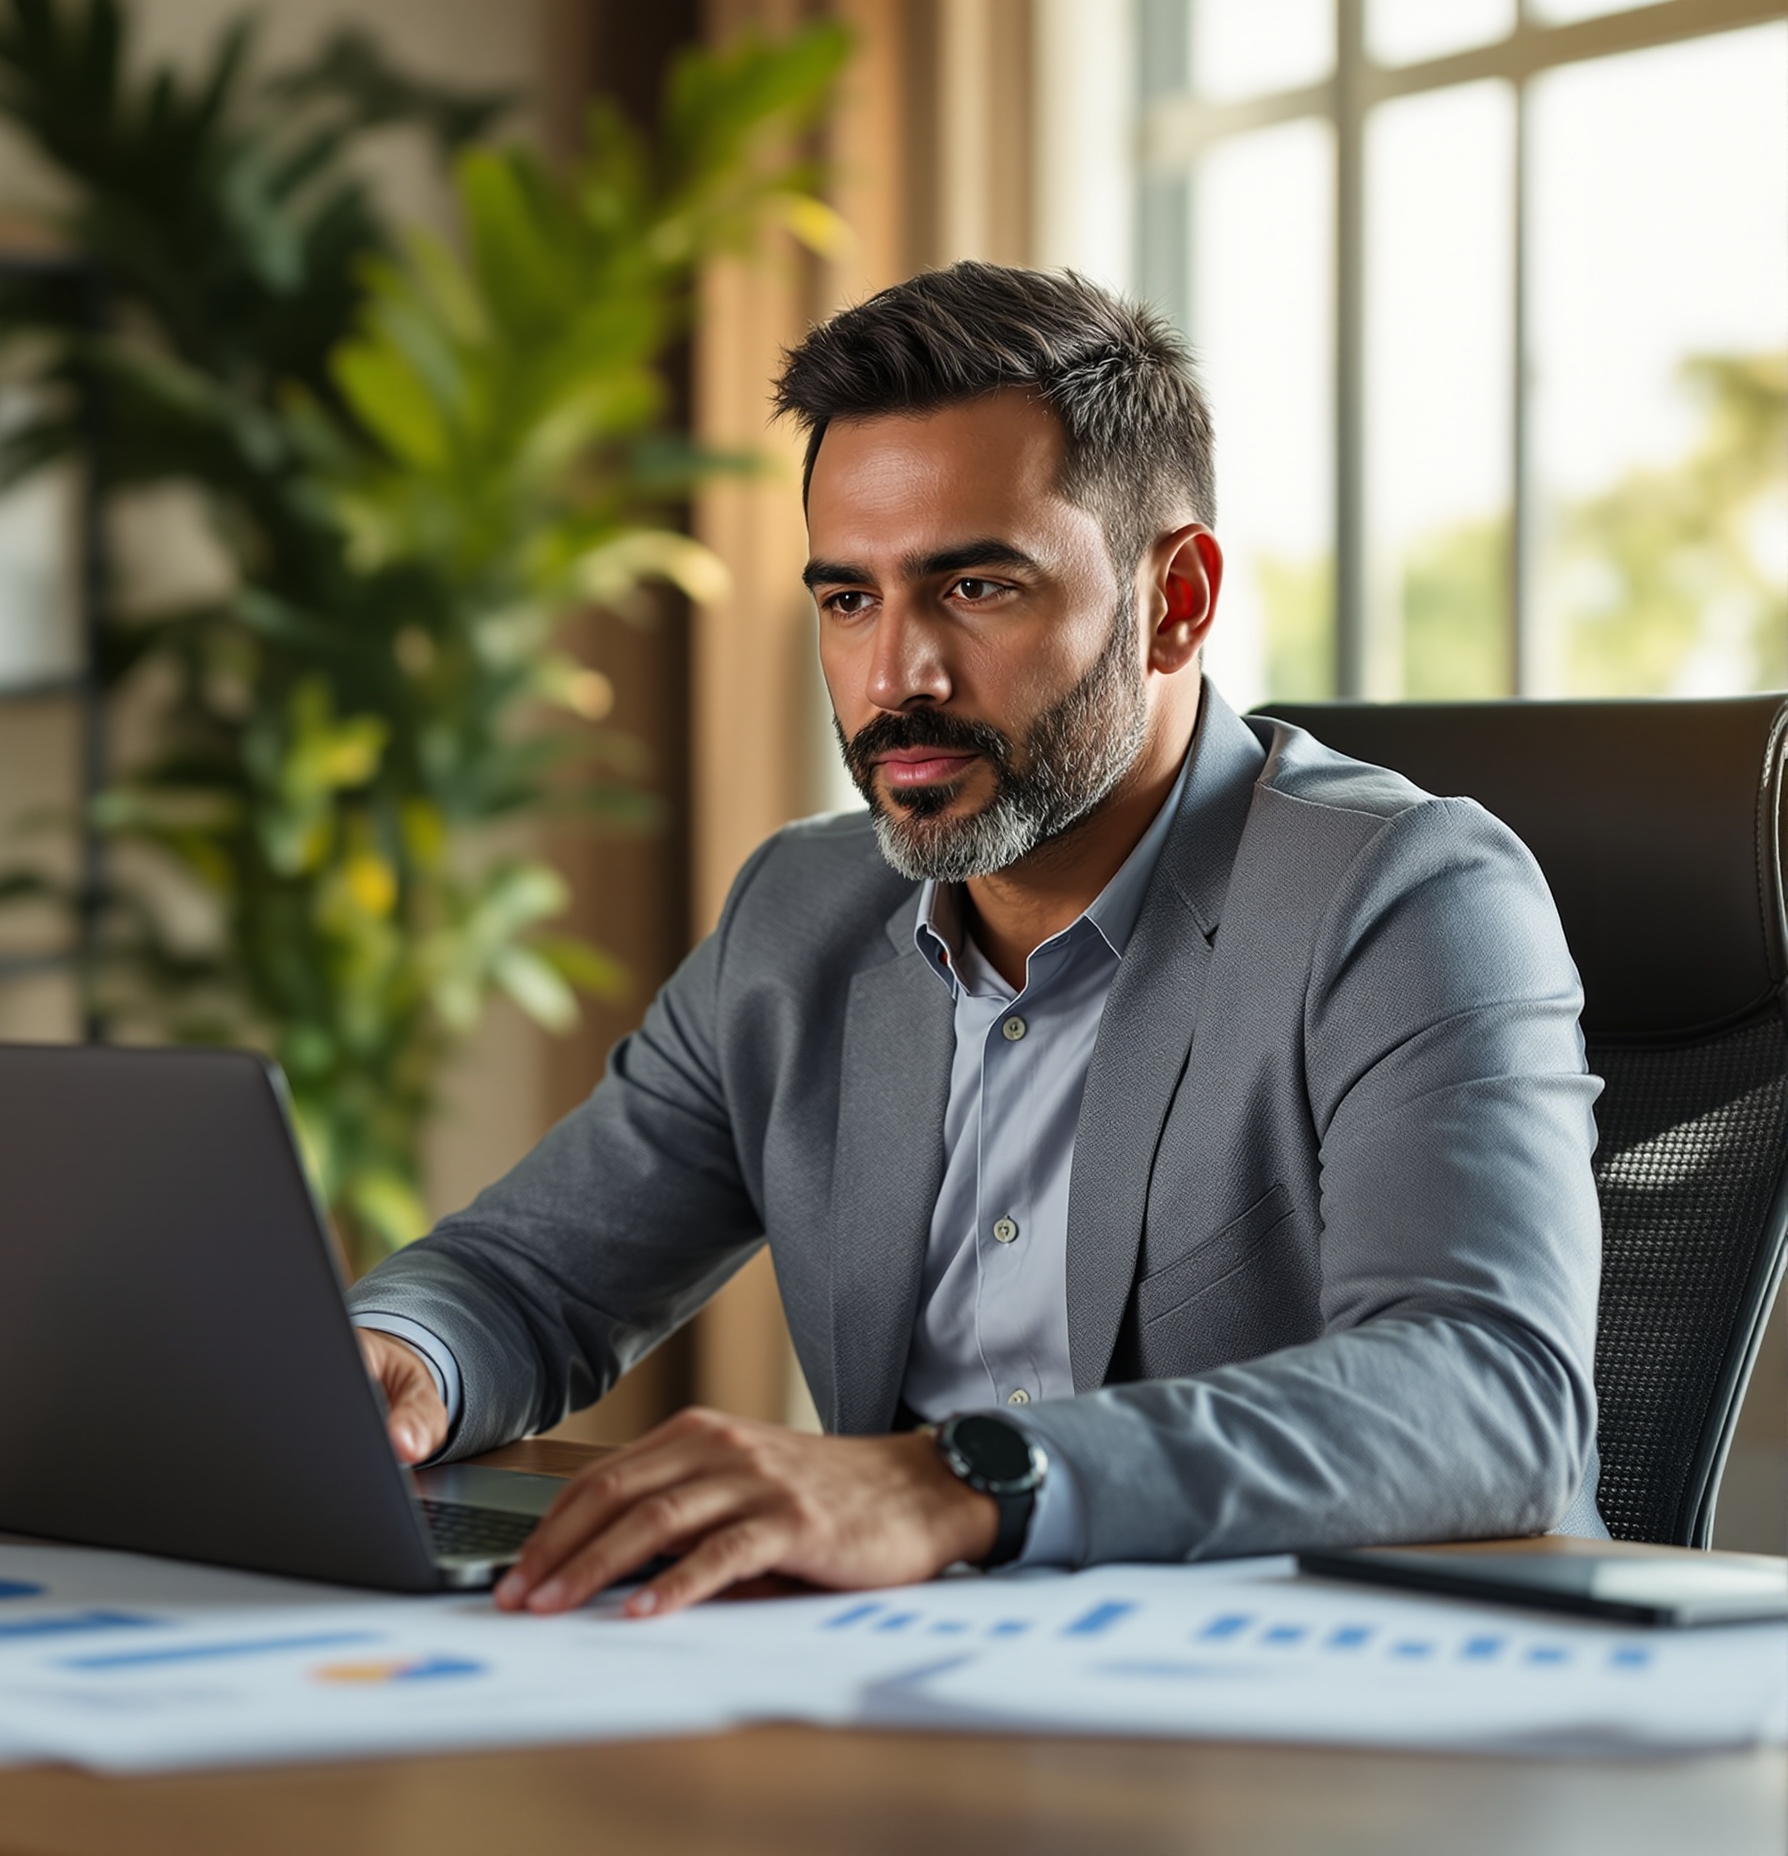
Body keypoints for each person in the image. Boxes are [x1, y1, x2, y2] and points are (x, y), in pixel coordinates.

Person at [347, 263, 1605, 1620]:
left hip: (1341, 1722)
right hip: (921, 1698)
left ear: (1173, 601)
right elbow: (531, 1275)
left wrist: (960, 1481)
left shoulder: (1408, 894)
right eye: (848, 602)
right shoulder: (800, 916)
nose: (898, 678)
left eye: (979, 589)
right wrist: (398, 1358)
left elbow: (1490, 1396)